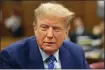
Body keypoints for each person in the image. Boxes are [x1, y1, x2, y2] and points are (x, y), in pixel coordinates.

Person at [0, 2, 90, 69]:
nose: (50, 35)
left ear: (66, 32)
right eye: (44, 28)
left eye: (56, 29)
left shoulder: (76, 53)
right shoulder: (12, 57)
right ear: (35, 29)